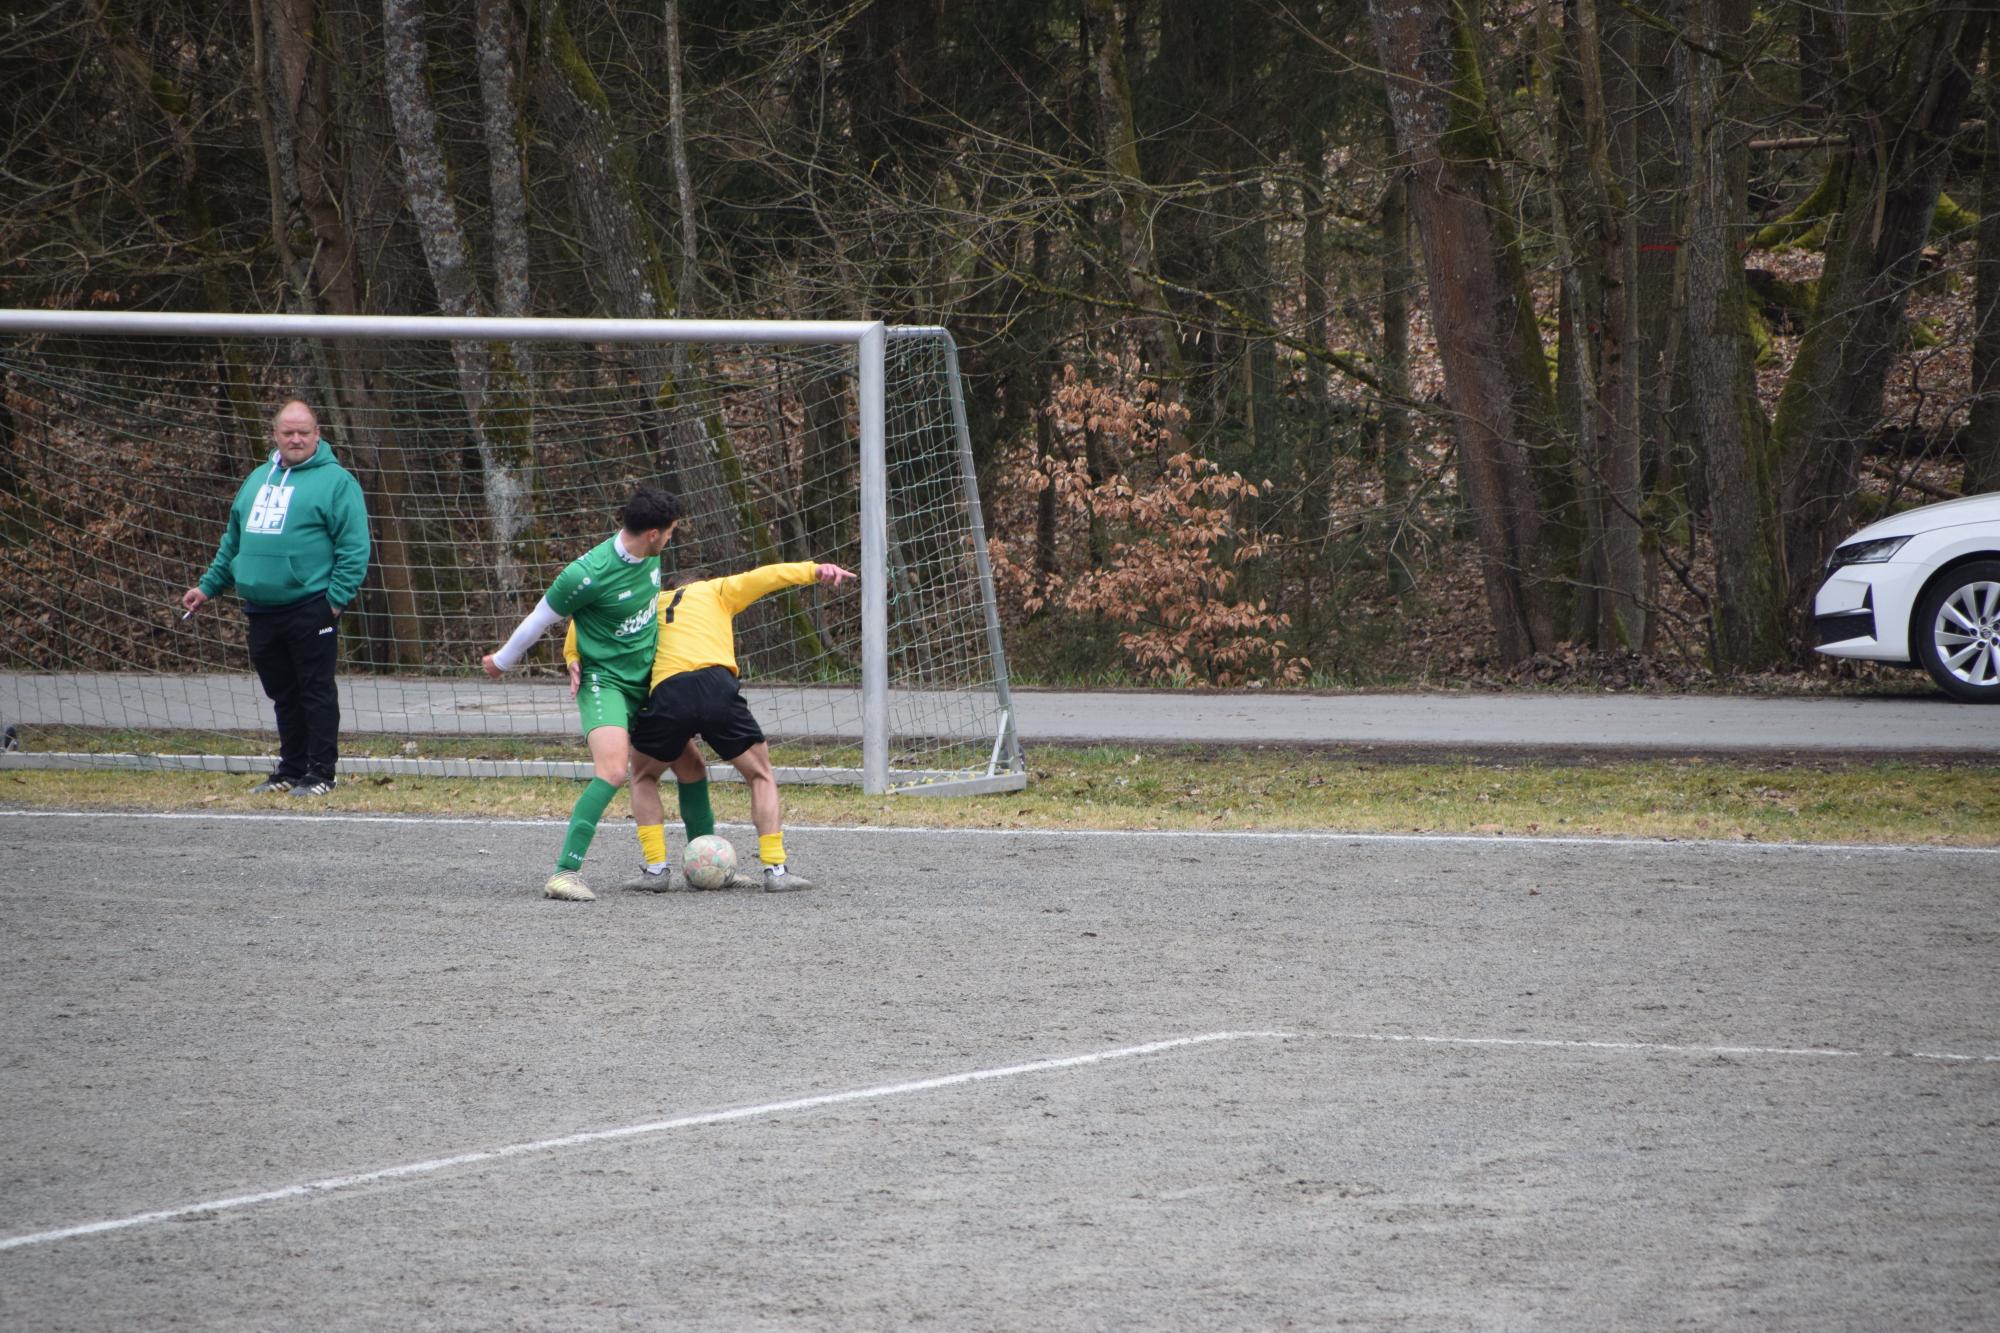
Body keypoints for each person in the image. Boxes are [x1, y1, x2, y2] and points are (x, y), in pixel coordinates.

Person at [481, 487, 737, 902]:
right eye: (670, 532)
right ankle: (564, 873)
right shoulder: (585, 574)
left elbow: (606, 614)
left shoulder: (650, 556)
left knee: (692, 768)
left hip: (649, 681)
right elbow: (540, 618)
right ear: (653, 533)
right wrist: (503, 660)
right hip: (606, 683)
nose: (672, 539)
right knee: (614, 770)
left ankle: (703, 864)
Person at [586, 558, 856, 893]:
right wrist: (814, 570)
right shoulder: (718, 589)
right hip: (716, 686)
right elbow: (767, 576)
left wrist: (576, 658)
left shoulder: (649, 607)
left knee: (643, 775)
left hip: (668, 692)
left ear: (672, 587)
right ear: (706, 579)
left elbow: (599, 622)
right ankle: (776, 870)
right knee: (760, 774)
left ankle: (656, 871)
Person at [182, 400, 370, 798]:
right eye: (289, 432)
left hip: (310, 607)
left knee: (315, 691)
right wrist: (207, 586)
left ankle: (321, 773)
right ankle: (291, 768)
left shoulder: (338, 483)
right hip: (261, 610)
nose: (297, 439)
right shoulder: (256, 480)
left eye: (304, 431)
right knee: (283, 694)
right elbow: (233, 543)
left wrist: (333, 602)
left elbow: (354, 550)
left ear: (318, 434)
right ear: (276, 436)